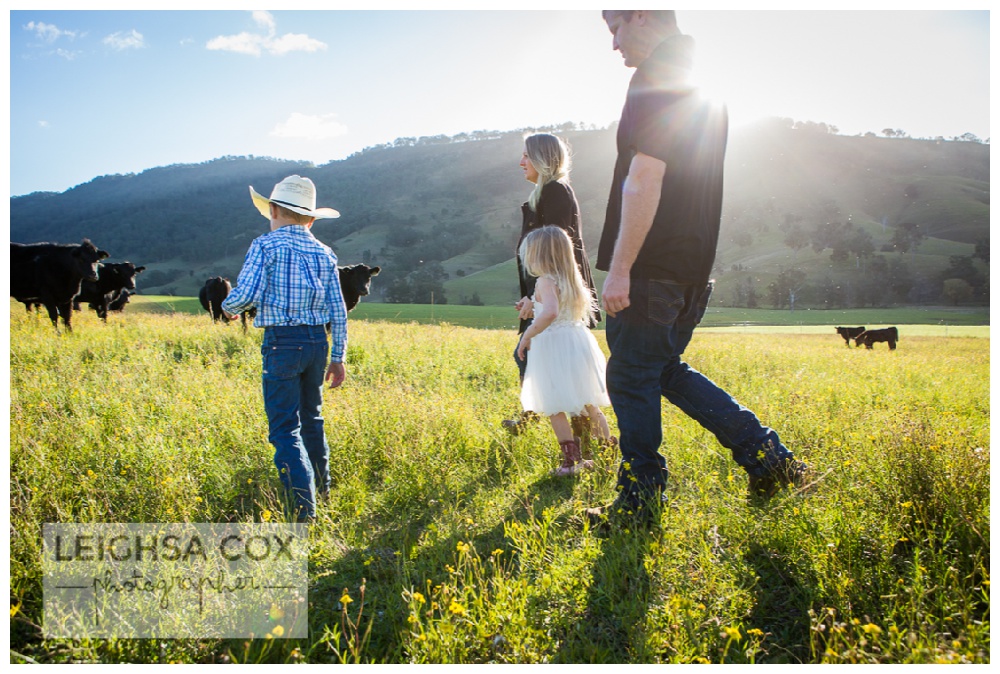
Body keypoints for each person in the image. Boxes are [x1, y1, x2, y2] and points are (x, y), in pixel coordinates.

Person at [587, 11, 809, 527]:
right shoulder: (704, 84)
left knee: (631, 375)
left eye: (615, 27)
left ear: (641, 15)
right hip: (690, 271)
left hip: (652, 268)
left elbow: (645, 179)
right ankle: (767, 457)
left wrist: (620, 269)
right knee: (664, 370)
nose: (614, 44)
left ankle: (640, 500)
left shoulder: (656, 79)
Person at [222, 175, 347, 523]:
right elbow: (338, 309)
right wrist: (338, 356)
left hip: (282, 342)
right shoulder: (325, 252)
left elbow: (247, 294)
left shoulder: (265, 245)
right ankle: (322, 490)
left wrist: (229, 307)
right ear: (310, 219)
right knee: (312, 418)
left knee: (284, 428)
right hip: (317, 343)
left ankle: (304, 512)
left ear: (273, 210)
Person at [504, 133, 601, 435]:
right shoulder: (546, 193)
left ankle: (547, 419)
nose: (521, 162)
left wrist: (540, 299)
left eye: (526, 156)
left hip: (551, 297)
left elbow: (557, 252)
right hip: (544, 294)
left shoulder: (555, 192)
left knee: (533, 354)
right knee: (540, 356)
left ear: (543, 160)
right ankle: (541, 415)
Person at [517, 226, 614, 475]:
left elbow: (550, 312)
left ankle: (571, 462)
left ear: (539, 255)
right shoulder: (571, 279)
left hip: (553, 347)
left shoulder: (545, 281)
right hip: (576, 342)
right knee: (588, 403)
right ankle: (608, 453)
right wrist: (531, 302)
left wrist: (527, 334)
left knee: (554, 405)